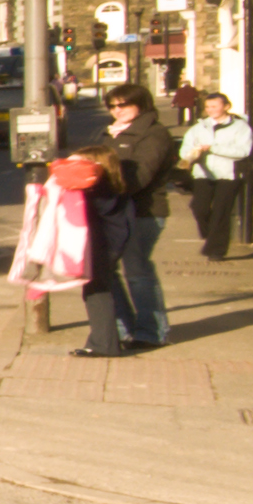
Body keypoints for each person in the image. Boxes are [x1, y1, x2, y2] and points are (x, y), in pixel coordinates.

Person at [85, 86, 177, 355]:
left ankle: (152, 333)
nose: (117, 111)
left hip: (143, 212)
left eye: (123, 105)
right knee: (106, 270)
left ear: (142, 105)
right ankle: (124, 329)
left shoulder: (153, 134)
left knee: (137, 271)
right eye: (112, 106)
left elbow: (138, 177)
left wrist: (109, 160)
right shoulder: (112, 132)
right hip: (114, 212)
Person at [179, 89, 253, 261]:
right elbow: (185, 148)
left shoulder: (240, 127)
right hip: (203, 173)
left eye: (214, 106)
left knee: (221, 212)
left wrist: (213, 148)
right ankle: (211, 235)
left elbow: (243, 151)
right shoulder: (199, 128)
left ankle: (216, 251)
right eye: (207, 107)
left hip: (228, 174)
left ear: (226, 107)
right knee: (199, 208)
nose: (210, 110)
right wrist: (190, 155)